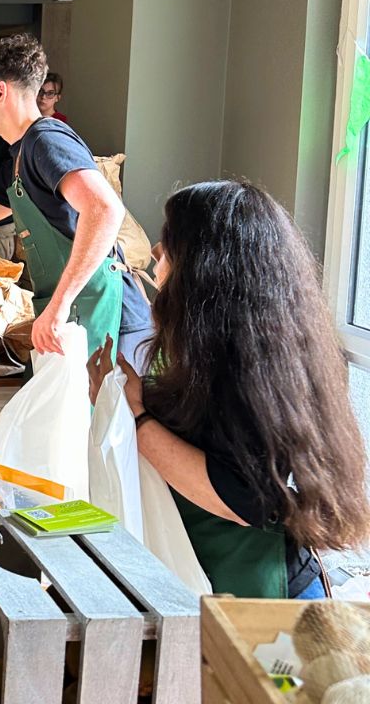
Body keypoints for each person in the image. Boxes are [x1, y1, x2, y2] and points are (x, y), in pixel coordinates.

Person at [88, 180, 370, 598]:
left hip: (263, 597)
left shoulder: (251, 369)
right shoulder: (207, 347)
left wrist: (136, 416)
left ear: (205, 267)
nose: (156, 252)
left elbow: (243, 499)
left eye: (170, 241)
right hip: (211, 579)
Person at [0, 34, 153, 367]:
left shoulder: (46, 141)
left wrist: (59, 305)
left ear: (1, 91)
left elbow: (105, 210)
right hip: (73, 316)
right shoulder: (18, 158)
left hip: (109, 320)